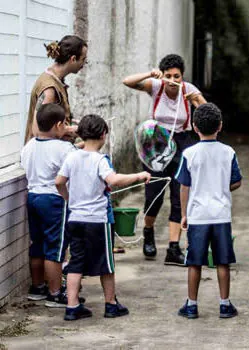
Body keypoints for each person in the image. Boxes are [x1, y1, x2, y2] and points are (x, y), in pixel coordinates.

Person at [56, 115, 151, 321]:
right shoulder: (100, 160)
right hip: (98, 221)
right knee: (106, 264)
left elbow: (59, 181)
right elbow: (113, 180)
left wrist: (68, 198)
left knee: (76, 262)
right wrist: (139, 176)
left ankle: (72, 306)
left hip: (75, 219)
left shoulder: (71, 157)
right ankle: (110, 304)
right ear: (103, 135)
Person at [123, 54, 207, 265]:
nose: (172, 81)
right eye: (168, 76)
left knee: (179, 195)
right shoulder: (156, 86)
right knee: (155, 194)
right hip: (156, 142)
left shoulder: (188, 89)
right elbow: (128, 81)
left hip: (182, 141)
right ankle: (148, 231)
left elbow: (208, 112)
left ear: (182, 76)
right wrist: (151, 74)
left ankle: (173, 247)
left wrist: (196, 102)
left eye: (176, 76)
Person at [176, 103, 242, 319]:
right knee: (222, 261)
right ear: (220, 126)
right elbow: (236, 182)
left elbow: (184, 186)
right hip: (221, 214)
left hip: (198, 215)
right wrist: (222, 186)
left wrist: (184, 214)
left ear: (194, 127)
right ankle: (224, 304)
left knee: (194, 262)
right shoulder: (228, 152)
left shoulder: (189, 154)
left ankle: (192, 305)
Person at [21, 105, 77, 305]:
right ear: (59, 124)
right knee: (55, 247)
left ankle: (38, 287)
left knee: (37, 244)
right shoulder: (64, 149)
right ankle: (55, 293)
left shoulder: (29, 146)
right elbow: (72, 170)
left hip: (33, 196)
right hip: (54, 200)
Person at [24, 35, 88, 144]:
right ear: (73, 59)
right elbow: (38, 130)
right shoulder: (49, 89)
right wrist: (70, 129)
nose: (84, 64)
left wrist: (72, 123)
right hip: (44, 157)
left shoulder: (56, 80)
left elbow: (52, 119)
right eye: (83, 59)